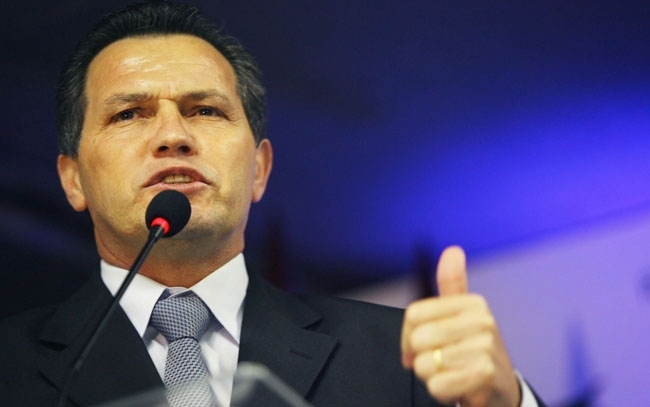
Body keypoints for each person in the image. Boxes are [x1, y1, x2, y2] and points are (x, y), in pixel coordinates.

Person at [0, 2, 545, 406]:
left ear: (259, 169)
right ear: (73, 179)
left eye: (205, 110)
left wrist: (506, 403)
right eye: (128, 114)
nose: (173, 135)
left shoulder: (402, 357)